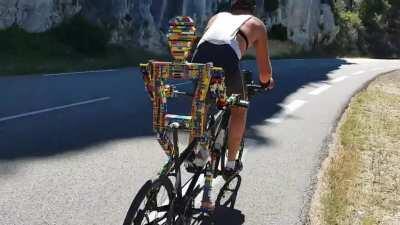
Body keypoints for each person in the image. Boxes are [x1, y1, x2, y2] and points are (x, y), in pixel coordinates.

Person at [190, 0, 275, 176]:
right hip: (227, 56)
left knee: (201, 104)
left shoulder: (217, 17)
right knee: (239, 108)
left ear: (232, 7)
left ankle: (194, 154)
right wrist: (266, 82)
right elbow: (265, 72)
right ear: (252, 9)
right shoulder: (256, 24)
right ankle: (230, 163)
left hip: (199, 56)